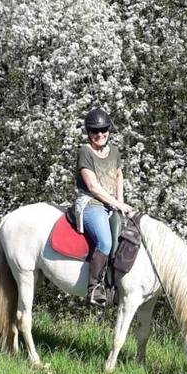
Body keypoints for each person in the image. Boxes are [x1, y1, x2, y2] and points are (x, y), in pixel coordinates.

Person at [74, 108, 135, 307]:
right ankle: (94, 287)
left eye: (103, 130)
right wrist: (116, 204)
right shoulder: (85, 152)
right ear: (89, 133)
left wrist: (121, 204)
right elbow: (93, 187)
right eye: (95, 131)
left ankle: (117, 284)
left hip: (111, 203)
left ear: (109, 129)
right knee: (106, 242)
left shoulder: (115, 151)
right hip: (91, 203)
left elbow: (119, 176)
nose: (100, 134)